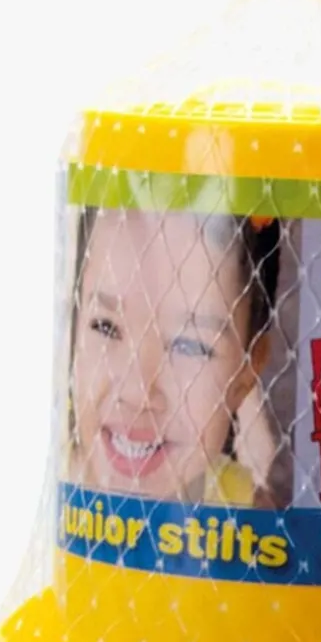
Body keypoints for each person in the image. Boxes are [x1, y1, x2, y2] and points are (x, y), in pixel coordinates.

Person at [65, 206, 283, 506]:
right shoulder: (31, 486)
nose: (137, 394)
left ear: (248, 372)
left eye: (189, 346)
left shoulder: (248, 513)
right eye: (105, 326)